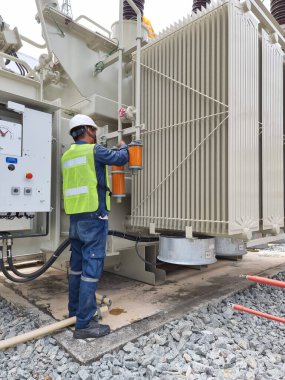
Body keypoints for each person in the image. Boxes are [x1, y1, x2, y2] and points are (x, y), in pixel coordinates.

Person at [61, 114, 129, 339]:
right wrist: (126, 146)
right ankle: (84, 324)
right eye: (95, 130)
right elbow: (120, 158)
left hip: (75, 219)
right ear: (88, 130)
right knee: (91, 270)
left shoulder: (67, 155)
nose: (97, 133)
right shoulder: (94, 151)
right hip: (94, 218)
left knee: (77, 268)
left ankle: (75, 313)